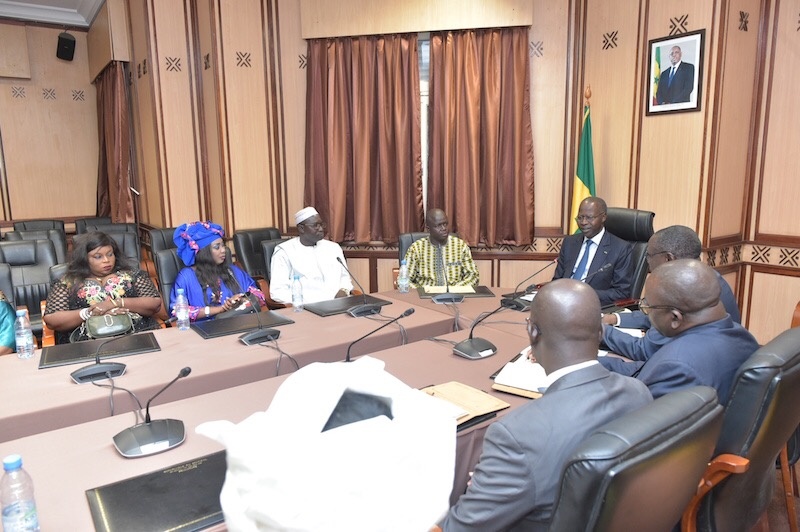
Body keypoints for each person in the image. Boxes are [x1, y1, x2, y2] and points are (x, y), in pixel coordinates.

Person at [442, 279, 652, 531]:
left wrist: (484, 487)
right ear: (599, 333)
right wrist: (499, 481)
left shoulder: (515, 435)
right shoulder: (638, 392)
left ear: (532, 332)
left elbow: (460, 528)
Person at [600, 260, 758, 403]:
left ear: (675, 318)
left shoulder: (678, 365)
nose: (646, 314)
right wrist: (591, 364)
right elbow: (648, 369)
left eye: (647, 307)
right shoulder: (741, 335)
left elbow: (639, 423)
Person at [602, 225, 741, 359]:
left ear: (668, 259)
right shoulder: (705, 278)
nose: (647, 262)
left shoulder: (684, 290)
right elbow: (657, 316)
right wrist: (614, 318)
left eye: (648, 256)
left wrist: (600, 330)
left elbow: (644, 350)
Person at [43, 231, 162, 344]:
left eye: (110, 254)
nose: (107, 260)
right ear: (84, 259)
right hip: (86, 342)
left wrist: (115, 303)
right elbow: (52, 319)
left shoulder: (131, 275)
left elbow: (154, 303)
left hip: (136, 334)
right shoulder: (67, 282)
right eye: (98, 257)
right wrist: (89, 313)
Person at [171, 221, 265, 321]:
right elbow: (177, 311)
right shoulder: (186, 277)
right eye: (217, 247)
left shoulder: (232, 271)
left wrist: (242, 299)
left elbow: (259, 296)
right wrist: (221, 309)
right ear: (203, 251)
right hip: (203, 331)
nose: (223, 250)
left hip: (237, 324)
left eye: (223, 245)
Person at [553, 197, 633, 306]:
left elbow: (621, 292)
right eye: (580, 217)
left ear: (603, 217)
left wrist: (583, 294)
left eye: (589, 218)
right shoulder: (569, 242)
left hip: (593, 307)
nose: (583, 222)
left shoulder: (620, 248)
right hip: (562, 304)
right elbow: (557, 280)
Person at [269, 207, 354, 304]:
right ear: (301, 228)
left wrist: (343, 290)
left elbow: (345, 277)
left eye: (321, 225)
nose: (321, 229)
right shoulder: (284, 252)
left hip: (338, 305)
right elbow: (277, 291)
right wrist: (303, 303)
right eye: (315, 226)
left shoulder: (333, 248)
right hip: (306, 310)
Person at [403, 208, 479, 288]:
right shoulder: (416, 248)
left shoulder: (460, 246)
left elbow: (473, 276)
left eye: (445, 224)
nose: (444, 228)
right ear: (428, 229)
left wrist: (454, 290)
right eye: (439, 225)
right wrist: (422, 292)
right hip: (425, 296)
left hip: (454, 297)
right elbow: (404, 280)